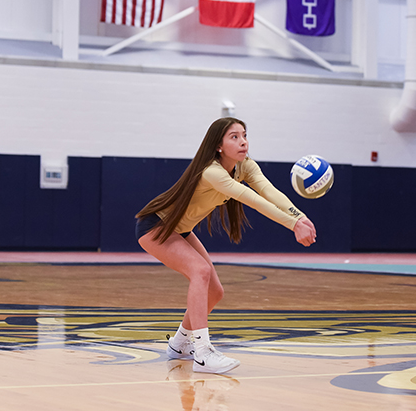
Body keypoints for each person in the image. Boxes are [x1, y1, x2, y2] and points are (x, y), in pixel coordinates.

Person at [136, 117, 317, 374]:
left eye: (244, 135)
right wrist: (292, 225)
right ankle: (202, 353)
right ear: (219, 145)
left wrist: (299, 216)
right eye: (234, 137)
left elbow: (268, 191)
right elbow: (252, 199)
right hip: (155, 226)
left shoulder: (244, 166)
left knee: (215, 292)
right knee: (200, 271)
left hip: (180, 229)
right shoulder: (211, 172)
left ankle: (179, 345)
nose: (243, 141)